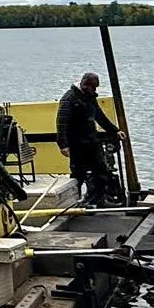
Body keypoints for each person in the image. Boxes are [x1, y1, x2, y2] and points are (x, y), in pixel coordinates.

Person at [57, 71, 123, 206]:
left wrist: (115, 131)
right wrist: (63, 145)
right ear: (83, 84)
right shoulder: (69, 99)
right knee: (78, 173)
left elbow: (100, 117)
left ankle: (99, 199)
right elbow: (61, 122)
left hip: (92, 141)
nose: (93, 90)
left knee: (101, 170)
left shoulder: (91, 98)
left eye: (94, 88)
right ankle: (74, 202)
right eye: (91, 87)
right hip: (76, 143)